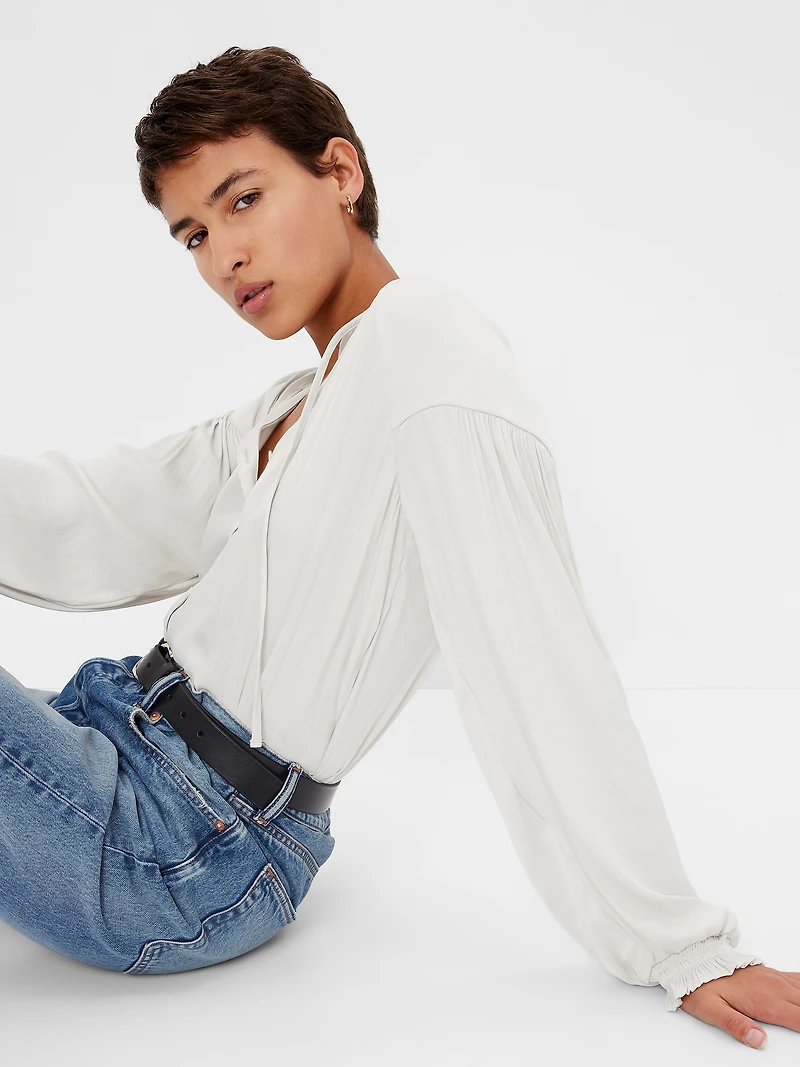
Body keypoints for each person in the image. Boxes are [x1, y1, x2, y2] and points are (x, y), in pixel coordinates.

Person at [0, 43, 795, 1050]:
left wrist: (677, 944)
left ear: (340, 171)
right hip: (108, 735)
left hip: (189, 844)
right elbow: (98, 509)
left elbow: (530, 648)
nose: (222, 255)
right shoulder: (296, 406)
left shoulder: (427, 341)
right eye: (194, 232)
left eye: (243, 200)